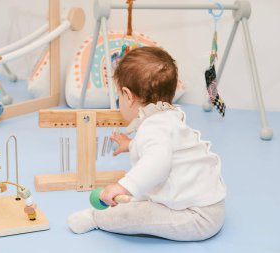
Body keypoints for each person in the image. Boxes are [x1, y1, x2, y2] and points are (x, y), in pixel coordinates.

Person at [68, 47, 226, 241]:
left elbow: (157, 164)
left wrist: (122, 187)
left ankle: (96, 218)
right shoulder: (167, 115)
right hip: (208, 206)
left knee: (137, 214)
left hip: (196, 218)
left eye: (119, 97)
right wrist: (132, 145)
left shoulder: (153, 127)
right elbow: (164, 149)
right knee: (141, 198)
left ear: (128, 95)